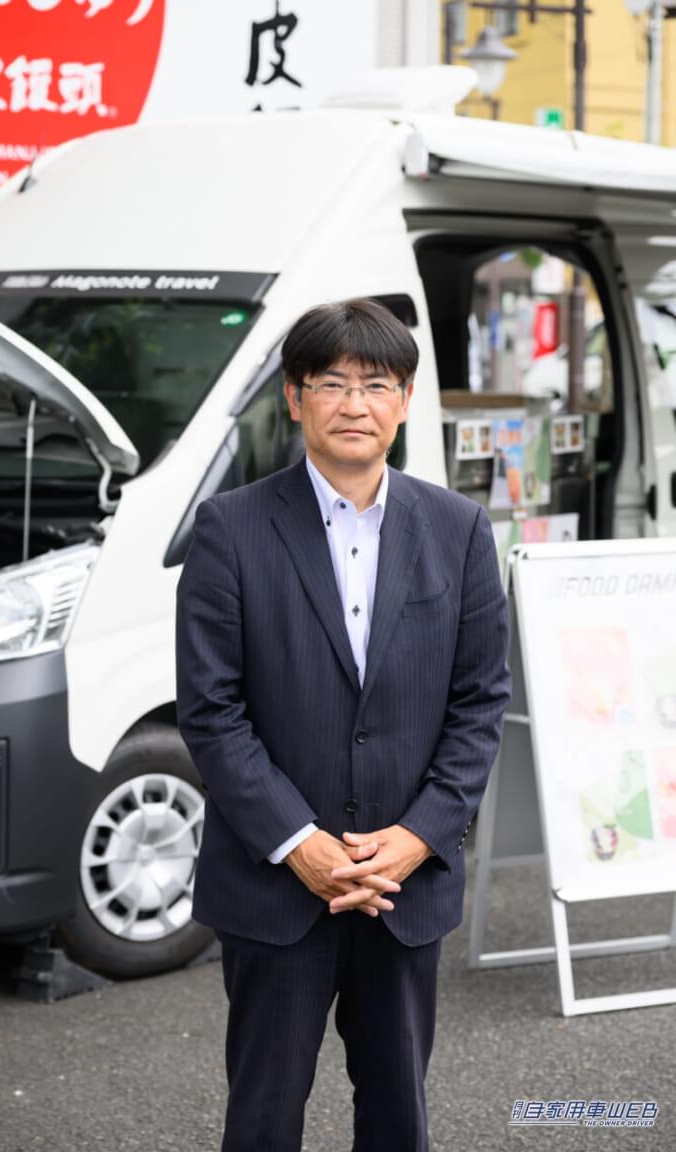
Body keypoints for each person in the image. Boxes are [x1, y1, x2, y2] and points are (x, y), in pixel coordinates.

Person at [176, 298, 511, 1152]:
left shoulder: (460, 529)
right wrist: (301, 845)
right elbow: (211, 709)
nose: (354, 404)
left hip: (404, 886)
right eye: (331, 383)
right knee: (263, 1117)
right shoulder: (230, 529)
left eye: (377, 384)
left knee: (399, 1115)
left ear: (405, 401)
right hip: (276, 887)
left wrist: (418, 836)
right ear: (295, 398)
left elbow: (480, 702)